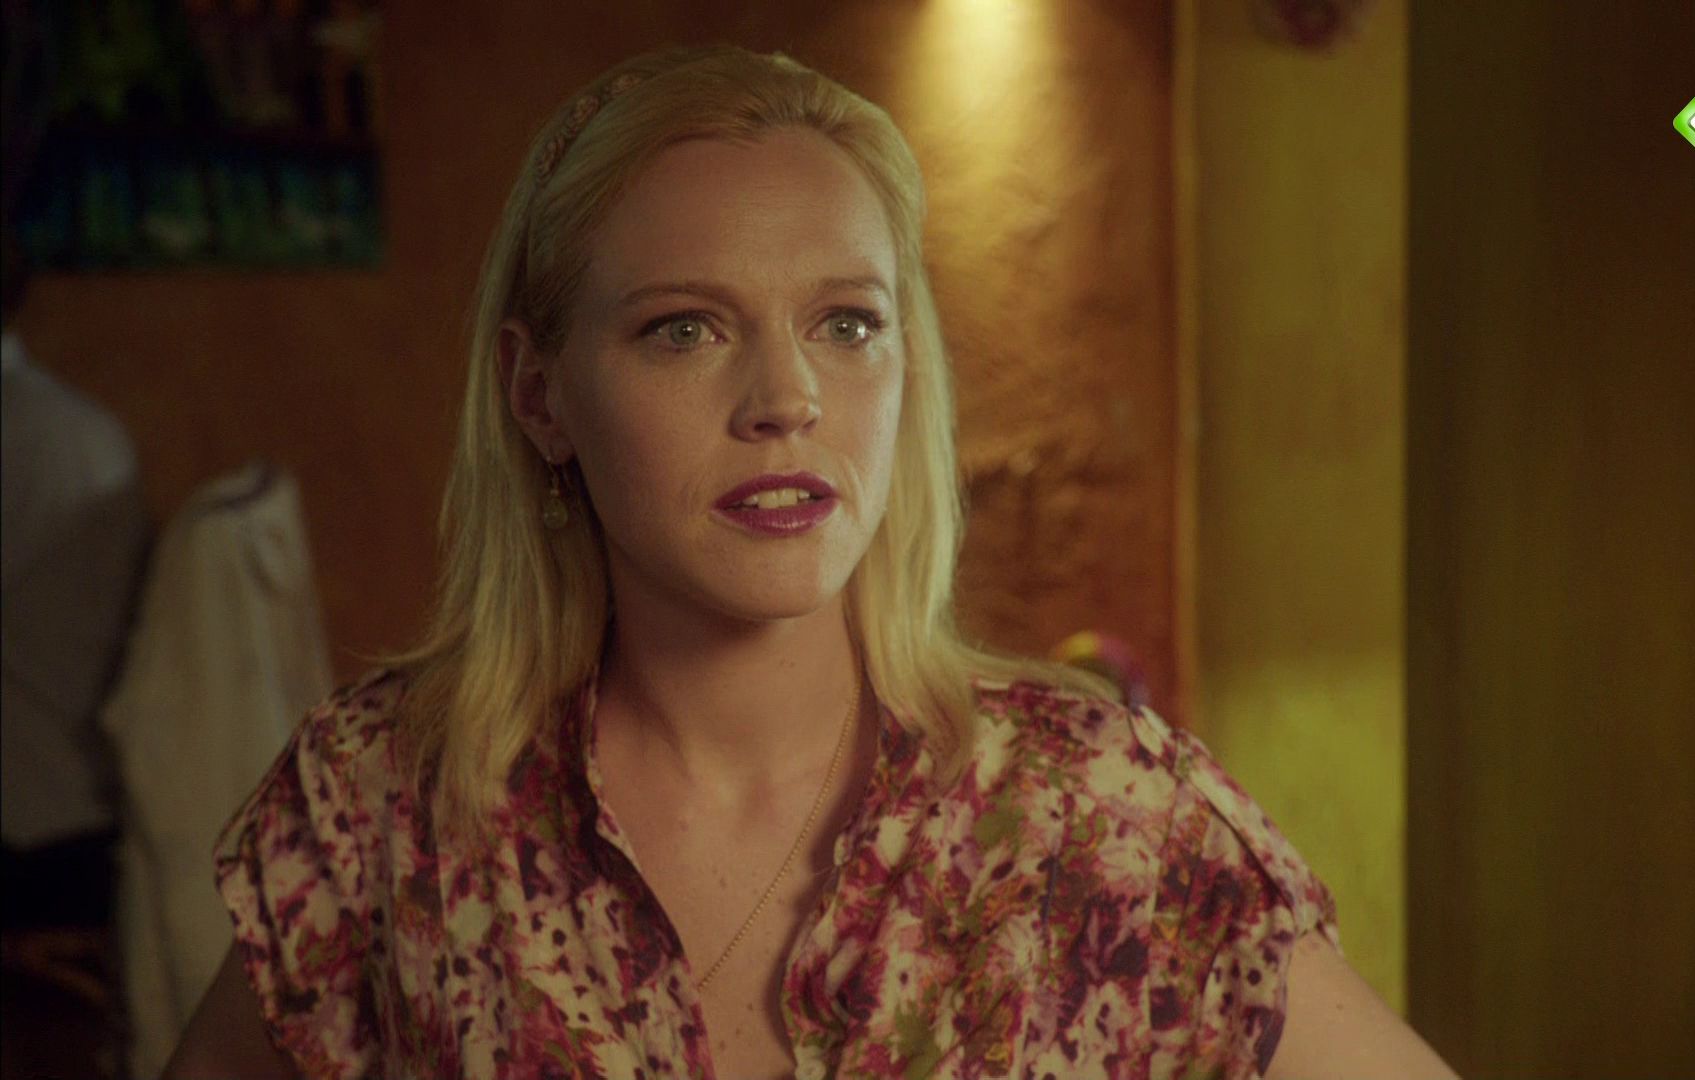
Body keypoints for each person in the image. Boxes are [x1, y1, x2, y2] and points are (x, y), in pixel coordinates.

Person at [163, 44, 1457, 1079]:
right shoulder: (385, 802)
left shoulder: (1102, 816)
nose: (787, 399)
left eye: (847, 324)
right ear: (538, 392)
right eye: (684, 330)